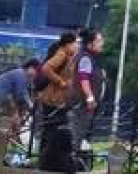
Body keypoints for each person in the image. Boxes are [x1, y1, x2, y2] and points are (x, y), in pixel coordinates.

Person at [37, 32, 80, 173]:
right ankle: (45, 162)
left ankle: (45, 161)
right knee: (51, 131)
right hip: (53, 100)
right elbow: (46, 68)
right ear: (67, 44)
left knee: (53, 131)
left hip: (58, 100)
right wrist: (60, 82)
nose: (76, 46)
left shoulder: (67, 56)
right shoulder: (61, 54)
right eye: (74, 43)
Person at [71, 29, 106, 152]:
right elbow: (83, 78)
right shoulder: (85, 58)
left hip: (84, 103)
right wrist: (90, 97)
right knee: (77, 133)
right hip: (81, 103)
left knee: (79, 133)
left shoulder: (90, 57)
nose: (102, 43)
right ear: (90, 43)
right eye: (99, 41)